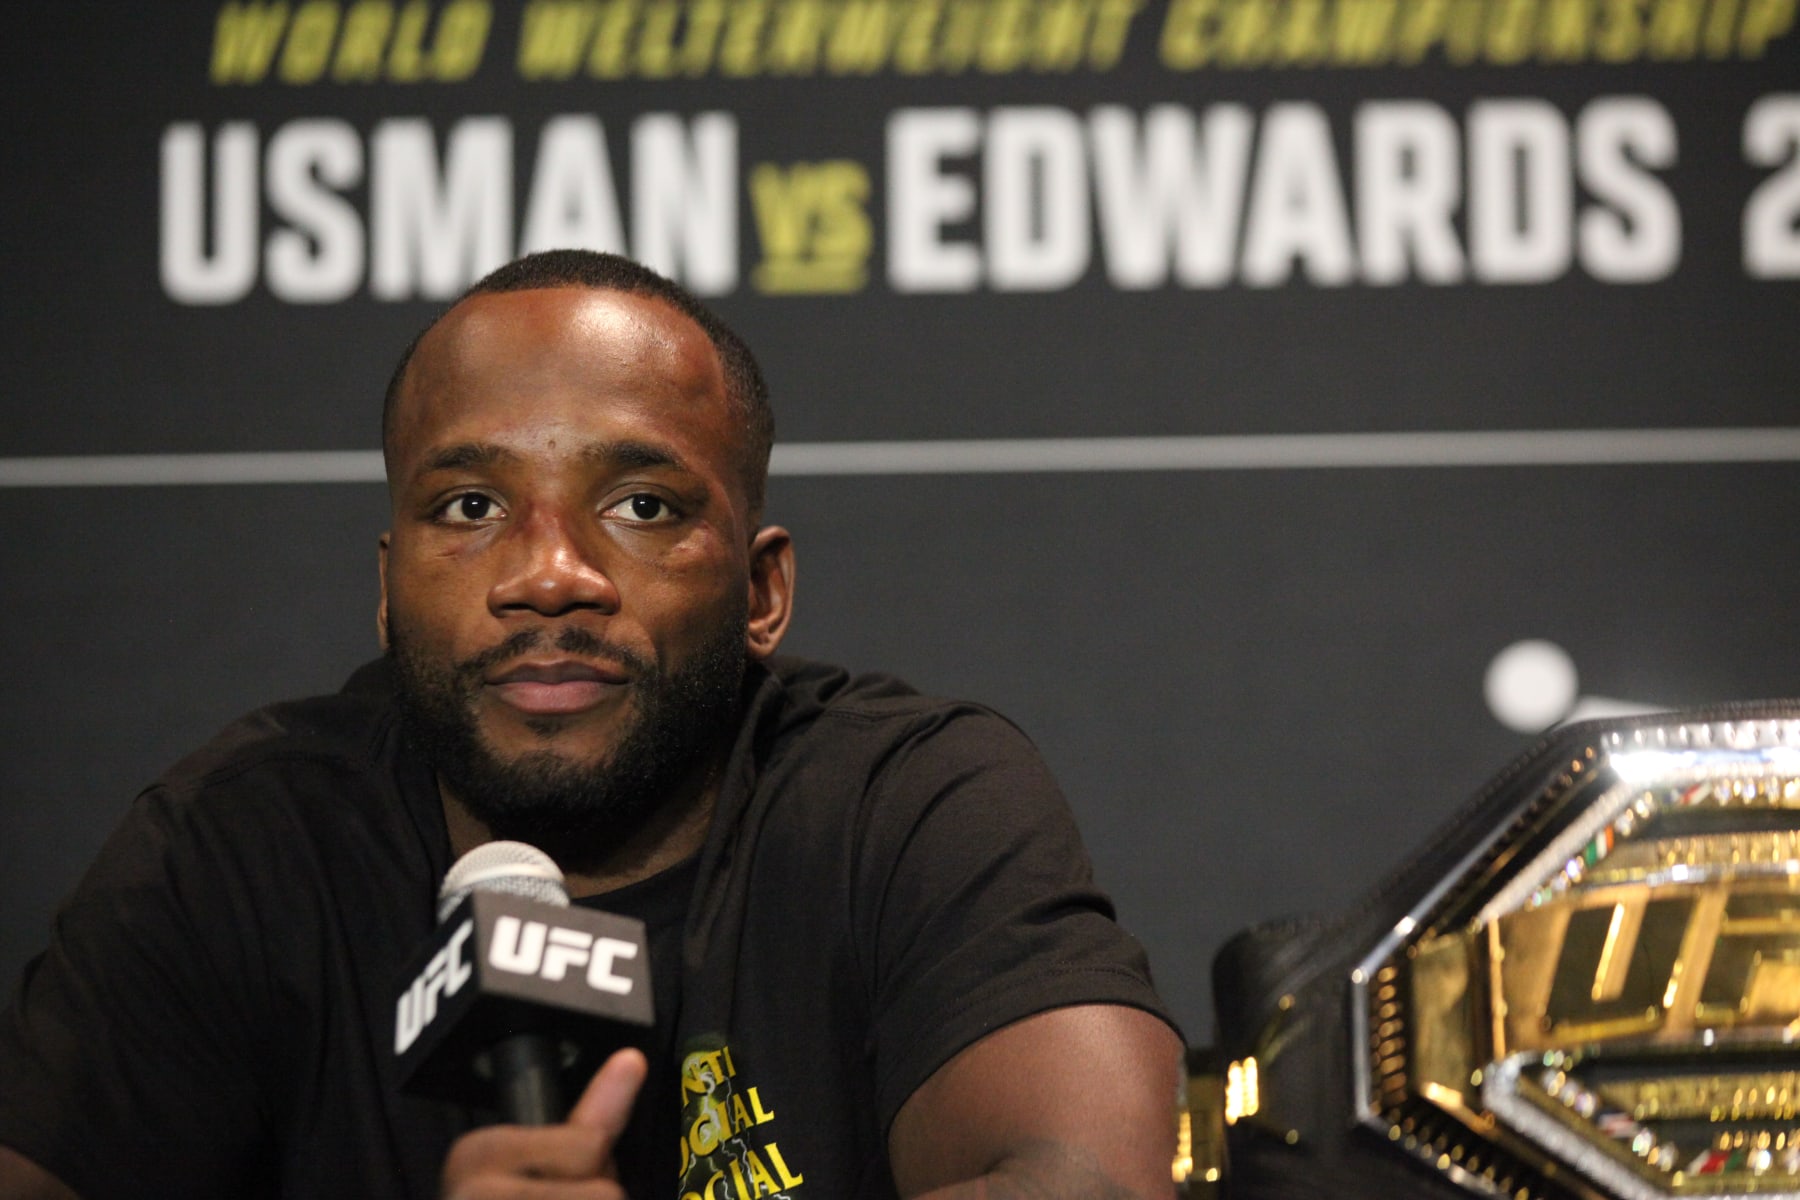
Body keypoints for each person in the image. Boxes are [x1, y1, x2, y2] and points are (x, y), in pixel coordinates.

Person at [0, 251, 1182, 1199]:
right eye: (470, 506)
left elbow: (1083, 1180)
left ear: (762, 592)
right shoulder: (242, 840)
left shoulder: (906, 800)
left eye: (640, 505)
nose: (550, 576)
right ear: (386, 586)